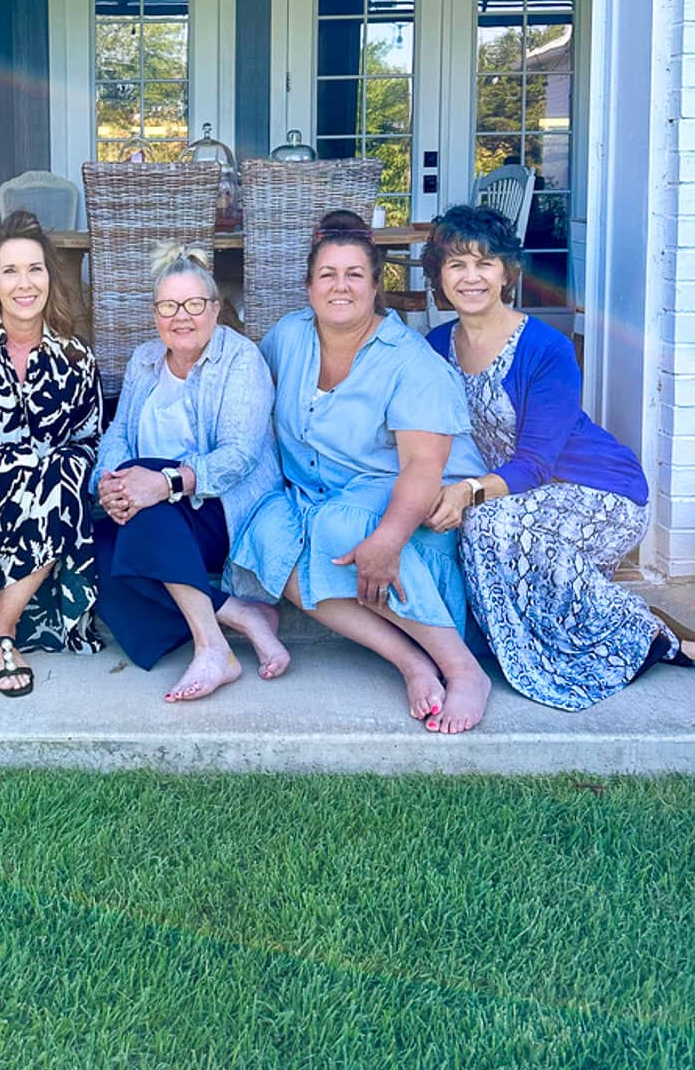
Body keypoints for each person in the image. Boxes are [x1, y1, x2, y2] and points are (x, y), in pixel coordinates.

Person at [227, 212, 492, 734]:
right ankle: (412, 662)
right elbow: (245, 384)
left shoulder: (409, 362)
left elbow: (422, 466)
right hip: (313, 494)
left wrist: (390, 540)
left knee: (341, 528)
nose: (340, 286)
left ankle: (462, 668)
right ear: (309, 287)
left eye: (354, 274)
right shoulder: (289, 336)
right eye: (327, 274)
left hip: (396, 497)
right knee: (265, 532)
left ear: (376, 286)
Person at [423, 202, 694, 709]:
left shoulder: (545, 348)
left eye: (485, 263)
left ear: (508, 272)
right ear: (439, 275)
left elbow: (534, 465)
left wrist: (466, 490)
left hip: (600, 492)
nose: (471, 276)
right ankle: (594, 622)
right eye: (456, 264)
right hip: (517, 497)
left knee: (485, 525)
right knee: (479, 524)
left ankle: (636, 637)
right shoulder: (437, 344)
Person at [92, 243, 290, 702]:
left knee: (143, 492)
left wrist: (160, 483)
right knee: (98, 549)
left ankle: (211, 646)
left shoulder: (240, 360)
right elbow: (118, 433)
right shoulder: (144, 360)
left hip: (221, 510)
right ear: (155, 313)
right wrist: (109, 483)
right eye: (168, 306)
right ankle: (238, 614)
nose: (181, 316)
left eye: (194, 304)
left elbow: (238, 457)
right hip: (157, 513)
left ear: (216, 309)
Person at [0, 211, 102, 696]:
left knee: (61, 463)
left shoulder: (77, 359)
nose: (24, 283)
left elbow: (89, 443)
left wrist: (40, 470)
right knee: (3, 462)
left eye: (35, 269)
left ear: (51, 280)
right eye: (10, 271)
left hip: (52, 531)